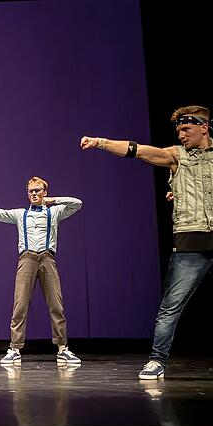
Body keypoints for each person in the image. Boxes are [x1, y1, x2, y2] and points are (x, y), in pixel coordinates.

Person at [80, 105, 212, 380]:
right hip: (191, 241)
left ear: (204, 127)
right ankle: (157, 360)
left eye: (186, 129)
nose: (182, 135)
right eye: (179, 131)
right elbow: (137, 150)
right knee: (170, 306)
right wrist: (100, 142)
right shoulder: (177, 156)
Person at [0, 177, 82, 365]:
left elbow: (77, 204)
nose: (33, 194)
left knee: (56, 305)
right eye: (30, 191)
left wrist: (53, 201)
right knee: (20, 305)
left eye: (37, 190)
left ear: (45, 192)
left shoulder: (54, 212)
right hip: (27, 259)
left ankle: (62, 348)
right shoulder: (20, 214)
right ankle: (15, 349)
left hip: (47, 258)